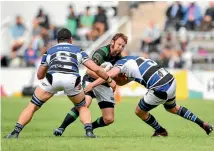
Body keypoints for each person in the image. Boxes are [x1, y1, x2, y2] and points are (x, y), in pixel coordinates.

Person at [4, 28, 116, 139]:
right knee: (82, 107)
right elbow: (96, 69)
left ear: (57, 40)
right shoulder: (78, 50)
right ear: (71, 40)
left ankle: (15, 132)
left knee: (32, 106)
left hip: (52, 78)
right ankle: (89, 132)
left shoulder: (49, 51)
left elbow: (39, 75)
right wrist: (109, 80)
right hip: (72, 79)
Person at [85, 56, 213, 136]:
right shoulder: (135, 59)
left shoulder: (120, 65)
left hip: (160, 87)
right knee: (173, 108)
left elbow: (110, 76)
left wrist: (92, 85)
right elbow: (123, 81)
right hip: (171, 80)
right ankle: (203, 124)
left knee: (139, 111)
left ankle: (160, 131)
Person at [53, 33, 128, 136]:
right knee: (85, 104)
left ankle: (90, 127)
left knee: (109, 119)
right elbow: (90, 71)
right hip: (91, 80)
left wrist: (122, 79)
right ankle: (61, 128)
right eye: (119, 44)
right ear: (112, 42)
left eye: (123, 46)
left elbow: (118, 80)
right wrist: (108, 79)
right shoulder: (101, 53)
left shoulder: (120, 59)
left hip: (105, 84)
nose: (120, 47)